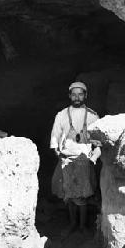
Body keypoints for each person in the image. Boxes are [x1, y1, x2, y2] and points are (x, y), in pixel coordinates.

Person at [50, 81, 101, 235]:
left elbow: (98, 140)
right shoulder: (61, 115)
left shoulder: (92, 115)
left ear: (85, 95)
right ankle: (72, 223)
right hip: (66, 158)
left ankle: (82, 226)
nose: (77, 97)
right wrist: (57, 152)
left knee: (83, 195)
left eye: (80, 94)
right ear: (69, 96)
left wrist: (94, 155)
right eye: (74, 94)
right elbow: (55, 136)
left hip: (84, 159)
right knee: (70, 195)